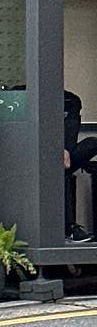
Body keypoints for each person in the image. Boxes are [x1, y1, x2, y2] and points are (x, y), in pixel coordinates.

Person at [64, 88, 97, 242]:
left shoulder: (70, 100)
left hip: (63, 158)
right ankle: (70, 227)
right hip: (38, 153)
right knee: (62, 171)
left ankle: (70, 228)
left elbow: (71, 128)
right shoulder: (28, 96)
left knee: (92, 143)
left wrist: (65, 149)